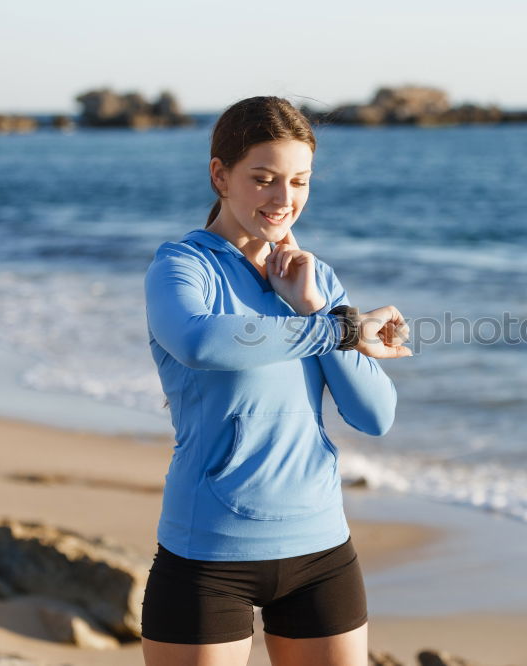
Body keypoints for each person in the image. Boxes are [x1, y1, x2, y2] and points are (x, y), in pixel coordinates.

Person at [140, 96, 412, 666]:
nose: (283, 200)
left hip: (322, 551)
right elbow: (201, 342)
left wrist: (317, 309)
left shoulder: (316, 281)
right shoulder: (181, 268)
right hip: (208, 555)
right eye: (263, 179)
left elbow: (375, 415)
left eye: (298, 181)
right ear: (220, 174)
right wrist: (336, 330)